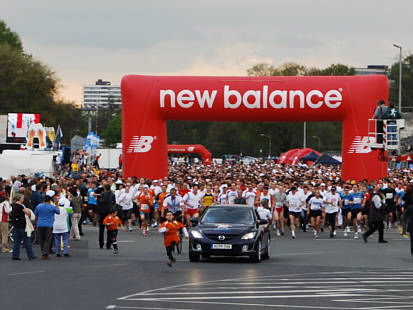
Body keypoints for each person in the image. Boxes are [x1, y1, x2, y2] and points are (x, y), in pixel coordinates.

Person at [35, 190, 60, 259]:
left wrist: (35, 223)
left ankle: (43, 251)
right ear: (49, 200)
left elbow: (35, 215)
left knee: (42, 239)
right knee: (47, 239)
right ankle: (45, 253)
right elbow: (58, 212)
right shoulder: (52, 207)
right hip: (49, 224)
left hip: (40, 224)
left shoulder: (39, 206)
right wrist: (57, 204)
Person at [10, 194, 37, 260]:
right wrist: (30, 213)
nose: (23, 200)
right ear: (19, 199)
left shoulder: (12, 205)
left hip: (15, 224)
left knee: (16, 242)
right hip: (22, 225)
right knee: (26, 241)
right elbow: (27, 212)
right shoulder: (21, 206)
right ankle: (31, 255)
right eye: (22, 198)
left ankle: (15, 256)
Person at [403, 184, 413, 257]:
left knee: (404, 220)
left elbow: (403, 200)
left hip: (408, 209)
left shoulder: (406, 194)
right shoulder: (408, 194)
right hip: (409, 209)